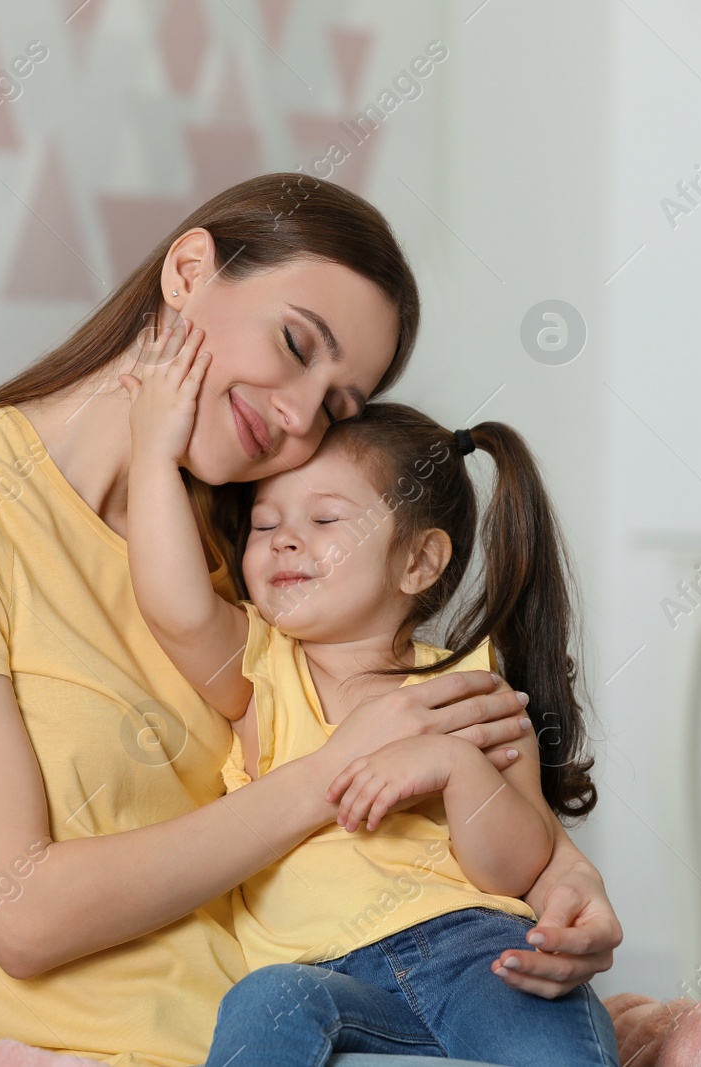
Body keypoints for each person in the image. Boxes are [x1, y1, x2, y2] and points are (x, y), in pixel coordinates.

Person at [0, 173, 621, 1067]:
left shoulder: (241, 550)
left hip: (333, 1019)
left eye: (333, 406)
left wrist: (563, 878)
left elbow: (419, 811)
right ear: (189, 270)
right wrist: (337, 771)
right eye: (294, 343)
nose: (294, 414)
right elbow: (22, 915)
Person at [118, 329, 618, 1067]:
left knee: (545, 1027)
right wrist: (152, 452)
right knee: (261, 1004)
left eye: (322, 521)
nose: (285, 540)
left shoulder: (468, 685)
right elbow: (173, 603)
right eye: (265, 523)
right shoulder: (259, 665)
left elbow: (518, 865)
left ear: (419, 559)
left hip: (476, 952)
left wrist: (454, 766)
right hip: (319, 974)